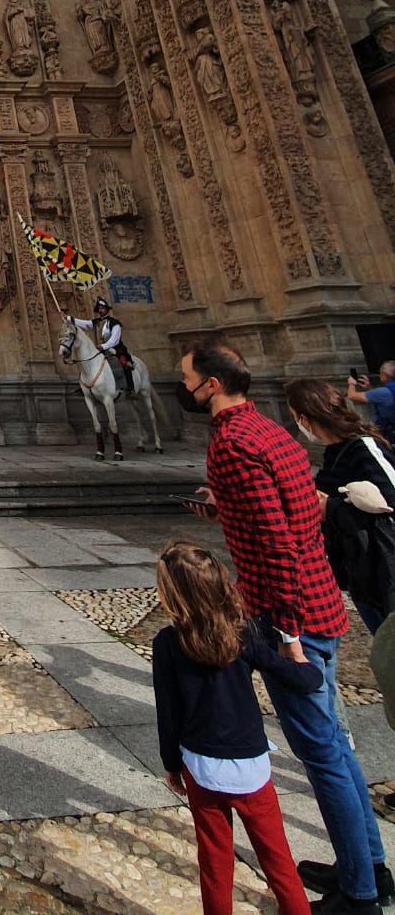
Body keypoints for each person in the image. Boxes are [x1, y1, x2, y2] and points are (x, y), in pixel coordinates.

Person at [179, 341, 390, 914]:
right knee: (339, 746)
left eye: (189, 380)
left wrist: (288, 635)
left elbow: (276, 545)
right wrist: (224, 510)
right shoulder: (273, 432)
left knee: (321, 752)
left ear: (212, 385)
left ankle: (361, 895)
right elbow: (290, 514)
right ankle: (367, 862)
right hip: (323, 603)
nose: (187, 389)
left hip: (288, 619)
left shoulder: (230, 445)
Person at [152, 539, 318, 915]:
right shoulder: (243, 636)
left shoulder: (167, 643)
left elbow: (168, 711)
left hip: (201, 764)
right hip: (251, 765)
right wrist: (305, 661)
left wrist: (170, 762)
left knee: (214, 860)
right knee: (278, 861)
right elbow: (301, 679)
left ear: (172, 595)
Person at [287, 377, 395, 634]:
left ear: (304, 418)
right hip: (360, 573)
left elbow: (390, 500)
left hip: (385, 571)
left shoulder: (364, 447)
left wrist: (332, 507)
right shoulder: (334, 451)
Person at [75, 296, 135, 395]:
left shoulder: (115, 323)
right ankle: (86, 387)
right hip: (100, 350)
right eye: (99, 309)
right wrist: (68, 318)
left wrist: (104, 346)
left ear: (106, 309)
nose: (100, 310)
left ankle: (130, 387)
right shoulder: (97, 322)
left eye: (102, 308)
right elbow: (84, 324)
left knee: (123, 363)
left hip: (115, 349)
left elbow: (114, 340)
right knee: (88, 363)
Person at [348, 362, 395, 441]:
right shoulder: (385, 392)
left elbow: (352, 396)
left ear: (385, 376)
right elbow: (384, 400)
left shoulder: (383, 392)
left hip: (389, 433)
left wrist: (351, 383)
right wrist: (369, 389)